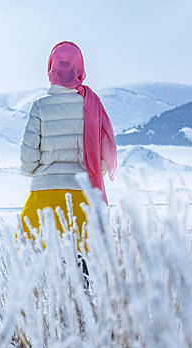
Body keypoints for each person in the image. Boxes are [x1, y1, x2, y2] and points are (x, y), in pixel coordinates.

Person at [19, 41, 117, 253]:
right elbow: (103, 157)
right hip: (81, 194)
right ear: (80, 70)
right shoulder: (91, 104)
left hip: (43, 194)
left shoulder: (39, 105)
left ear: (51, 69)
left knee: (36, 263)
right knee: (84, 265)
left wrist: (36, 172)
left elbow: (28, 157)